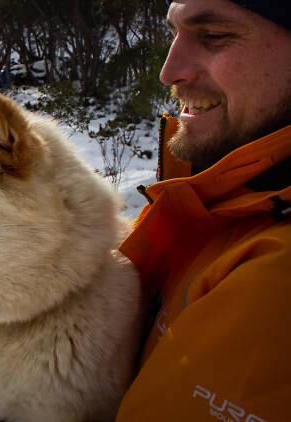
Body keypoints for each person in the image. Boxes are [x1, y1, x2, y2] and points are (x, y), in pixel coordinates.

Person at [116, 1, 291, 421]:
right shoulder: (224, 204)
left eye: (213, 36)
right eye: (173, 32)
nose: (168, 70)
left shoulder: (275, 274)